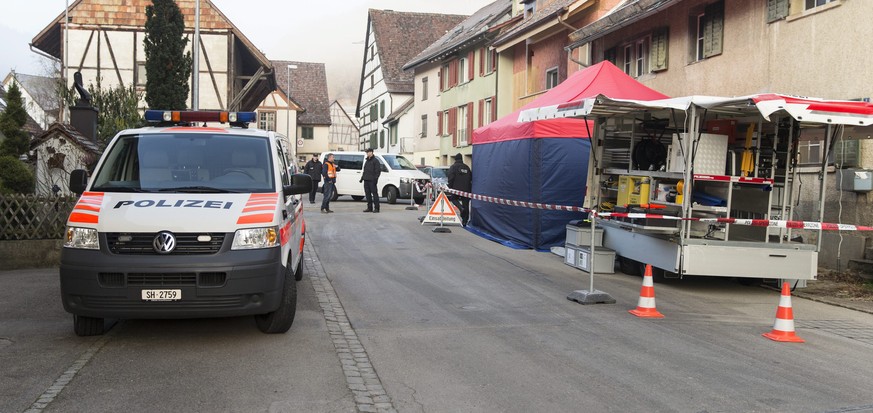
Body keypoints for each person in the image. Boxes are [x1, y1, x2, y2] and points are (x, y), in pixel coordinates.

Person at [447, 153, 472, 226]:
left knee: (453, 199)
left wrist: (450, 187)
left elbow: (450, 177)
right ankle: (465, 221)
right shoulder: (466, 167)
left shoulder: (453, 167)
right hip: (467, 189)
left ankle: (461, 208)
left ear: (455, 159)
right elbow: (470, 177)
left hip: (456, 189)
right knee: (466, 204)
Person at [360, 148, 382, 213]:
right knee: (367, 195)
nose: (367, 153)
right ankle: (369, 208)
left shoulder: (375, 161)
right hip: (366, 180)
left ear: (372, 152)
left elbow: (378, 171)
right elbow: (365, 171)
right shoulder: (367, 161)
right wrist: (362, 178)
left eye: (368, 152)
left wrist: (375, 179)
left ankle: (377, 208)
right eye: (367, 152)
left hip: (372, 180)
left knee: (374, 194)